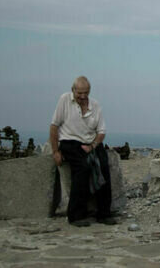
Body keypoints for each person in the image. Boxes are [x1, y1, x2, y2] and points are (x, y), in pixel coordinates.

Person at [50, 76, 117, 226]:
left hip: (91, 142)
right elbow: (54, 126)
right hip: (70, 141)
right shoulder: (64, 100)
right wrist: (56, 152)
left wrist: (92, 146)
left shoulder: (95, 105)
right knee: (82, 168)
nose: (82, 96)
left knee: (103, 167)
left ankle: (104, 213)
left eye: (85, 93)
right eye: (79, 93)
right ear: (73, 90)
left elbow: (101, 132)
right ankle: (75, 215)